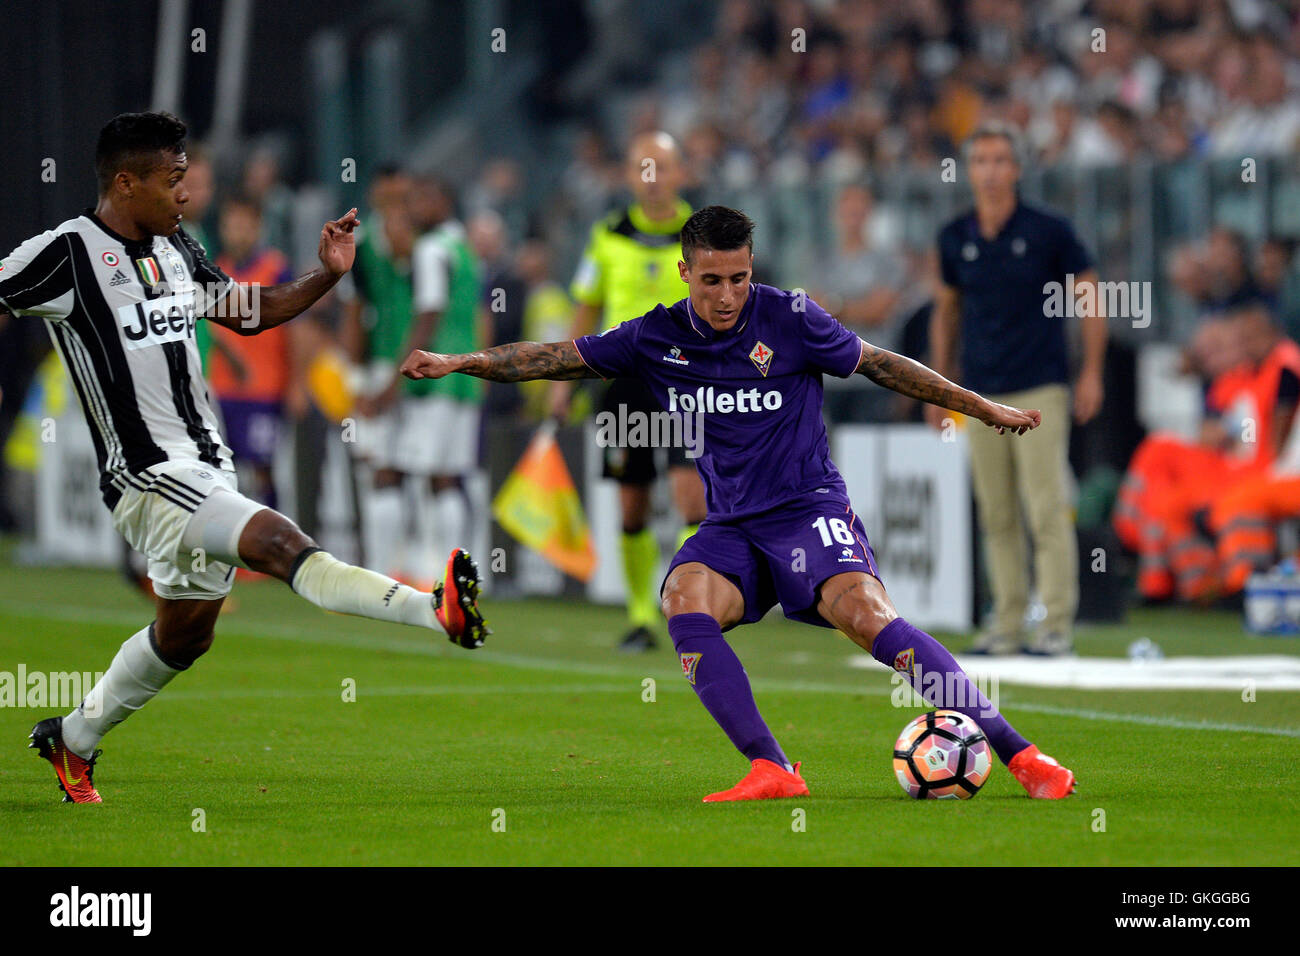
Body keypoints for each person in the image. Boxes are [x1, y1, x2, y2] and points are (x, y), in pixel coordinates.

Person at [400, 205, 1076, 802]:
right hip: (732, 527)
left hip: (809, 511)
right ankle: (772, 766)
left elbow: (881, 363)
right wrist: (460, 362)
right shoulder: (653, 337)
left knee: (870, 618)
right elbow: (552, 357)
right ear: (685, 272)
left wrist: (978, 406)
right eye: (712, 280)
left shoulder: (793, 317)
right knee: (684, 600)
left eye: (740, 278)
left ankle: (1020, 754)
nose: (728, 296)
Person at [0, 112, 488, 804]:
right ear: (126, 181)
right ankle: (434, 609)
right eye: (173, 181)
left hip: (208, 464)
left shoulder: (177, 250)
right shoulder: (65, 253)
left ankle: (72, 739)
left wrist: (325, 275)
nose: (185, 195)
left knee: (184, 637)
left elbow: (250, 309)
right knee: (281, 542)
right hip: (147, 477)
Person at [929, 121, 1106, 657]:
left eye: (1000, 160)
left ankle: (1054, 624)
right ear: (968, 170)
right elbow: (946, 312)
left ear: (1017, 169)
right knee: (997, 511)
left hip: (1039, 386)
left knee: (1045, 504)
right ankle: (1006, 622)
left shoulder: (1049, 230)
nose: (990, 171)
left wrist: (1092, 369)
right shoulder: (955, 236)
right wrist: (939, 387)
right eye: (980, 161)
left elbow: (1089, 293)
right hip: (979, 393)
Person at [549, 130, 708, 653]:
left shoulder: (702, 234)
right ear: (627, 176)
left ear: (682, 173)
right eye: (642, 168)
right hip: (625, 384)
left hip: (691, 383)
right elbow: (586, 307)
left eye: (662, 167)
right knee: (632, 504)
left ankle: (677, 603)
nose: (652, 179)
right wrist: (566, 379)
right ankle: (640, 616)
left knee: (694, 499)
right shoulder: (607, 235)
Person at [206, 194, 296, 508]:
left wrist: (296, 383)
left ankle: (272, 542)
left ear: (258, 227)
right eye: (231, 225)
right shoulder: (216, 269)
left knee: (263, 467)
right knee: (223, 470)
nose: (237, 232)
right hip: (221, 390)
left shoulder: (276, 270)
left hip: (265, 389)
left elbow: (294, 331)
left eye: (244, 225)